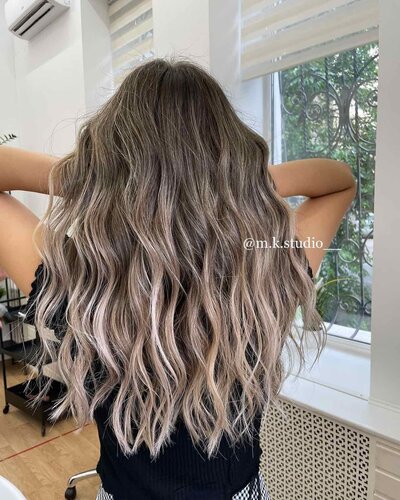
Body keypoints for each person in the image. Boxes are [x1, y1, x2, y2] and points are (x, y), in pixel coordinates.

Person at [0, 57, 356, 500]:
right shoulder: (269, 271)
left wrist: (97, 181)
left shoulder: (79, 286)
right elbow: (339, 180)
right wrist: (236, 183)